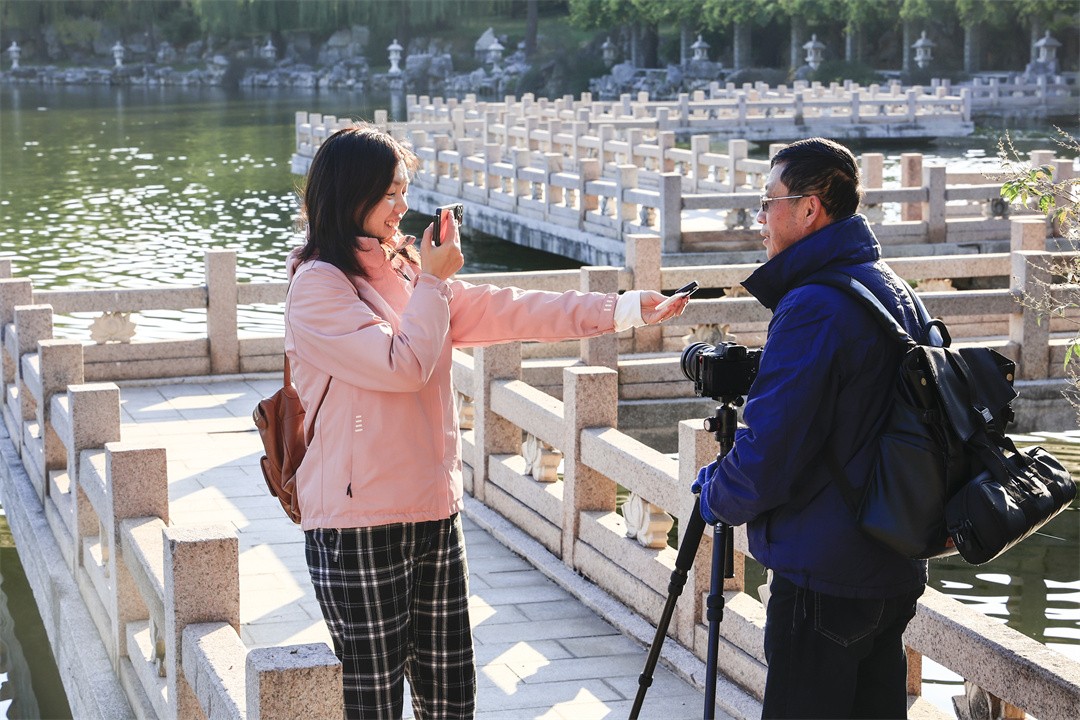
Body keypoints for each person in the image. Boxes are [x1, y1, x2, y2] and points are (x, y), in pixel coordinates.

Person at [284, 124, 688, 720]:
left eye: (404, 191)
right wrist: (434, 280)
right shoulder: (317, 286)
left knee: (452, 699)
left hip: (432, 508)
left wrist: (622, 309)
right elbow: (403, 366)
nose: (403, 207)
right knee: (372, 703)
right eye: (390, 194)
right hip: (356, 523)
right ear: (349, 194)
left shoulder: (403, 269)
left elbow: (509, 309)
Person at [693, 137, 928, 719]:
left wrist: (715, 495)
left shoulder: (814, 306)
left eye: (766, 202)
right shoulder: (889, 286)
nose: (760, 219)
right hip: (891, 561)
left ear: (808, 209)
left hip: (825, 574)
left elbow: (770, 450)